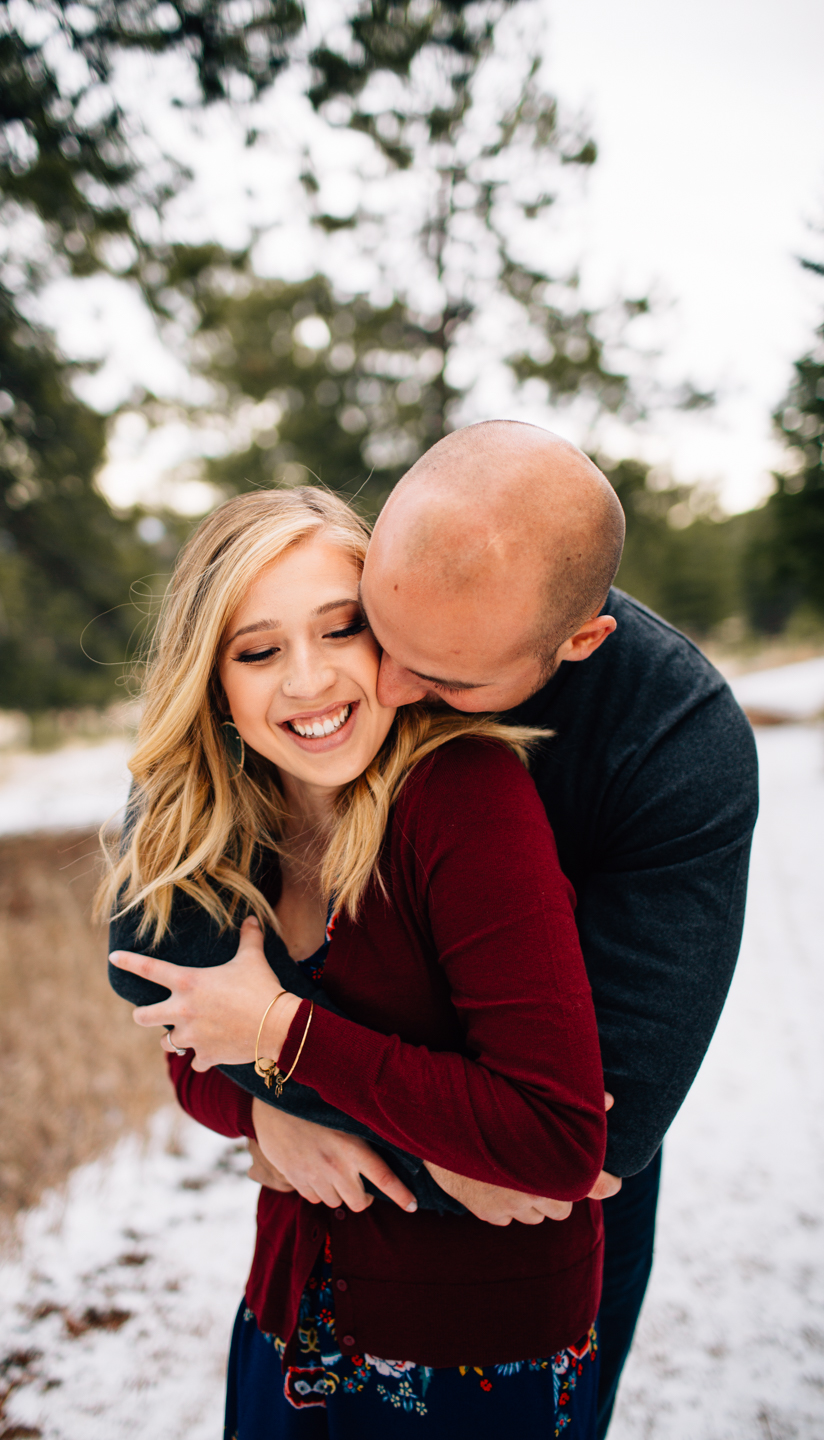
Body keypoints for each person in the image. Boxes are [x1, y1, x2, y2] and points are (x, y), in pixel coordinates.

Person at [112, 420, 759, 1437]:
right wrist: (262, 1111)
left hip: (488, 1304)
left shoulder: (670, 748)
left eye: (446, 678)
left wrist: (285, 1060)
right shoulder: (270, 746)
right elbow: (174, 992)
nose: (390, 692)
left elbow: (580, 1148)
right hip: (301, 1290)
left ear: (576, 645)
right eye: (381, 630)